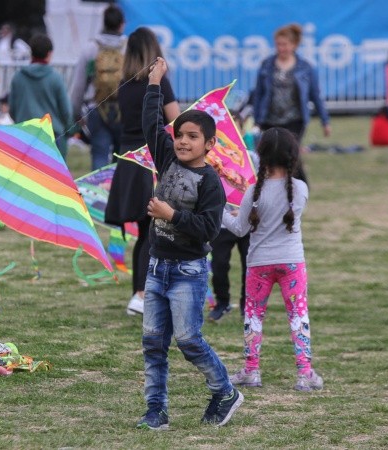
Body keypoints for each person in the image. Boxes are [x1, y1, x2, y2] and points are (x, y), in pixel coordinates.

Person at [136, 57, 243, 431]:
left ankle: (225, 390)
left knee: (188, 340)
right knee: (152, 343)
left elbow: (208, 229)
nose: (182, 140)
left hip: (188, 272)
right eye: (179, 134)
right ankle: (155, 410)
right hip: (156, 268)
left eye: (192, 136)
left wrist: (171, 215)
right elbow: (151, 123)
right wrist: (154, 83)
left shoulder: (210, 183)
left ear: (209, 144)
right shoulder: (165, 156)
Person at [222, 127, 323, 392]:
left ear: (260, 155)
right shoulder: (300, 189)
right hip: (292, 262)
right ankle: (305, 373)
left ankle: (251, 370)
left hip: (259, 264)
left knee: (253, 315)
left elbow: (239, 229)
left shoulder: (253, 192)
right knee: (298, 316)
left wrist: (222, 211)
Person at [105, 26, 179, 316]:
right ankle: (142, 293)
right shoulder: (159, 85)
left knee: (145, 231)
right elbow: (175, 121)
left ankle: (142, 292)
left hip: (128, 161)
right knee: (153, 229)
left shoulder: (124, 85)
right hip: (150, 161)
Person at [252, 23, 330, 148]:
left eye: (285, 44)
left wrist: (325, 121)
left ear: (294, 45)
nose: (281, 48)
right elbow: (258, 94)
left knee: (290, 155)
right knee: (270, 156)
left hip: (295, 120)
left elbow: (315, 95)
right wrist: (256, 120)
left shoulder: (305, 68)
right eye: (278, 44)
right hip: (269, 120)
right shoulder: (266, 65)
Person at [69, 4, 126, 170]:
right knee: (122, 156)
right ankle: (119, 194)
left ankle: (98, 193)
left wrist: (76, 112)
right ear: (122, 24)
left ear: (104, 22)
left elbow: (79, 84)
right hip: (124, 109)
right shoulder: (128, 47)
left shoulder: (90, 48)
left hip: (96, 108)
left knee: (99, 154)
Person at [8, 34, 72, 160]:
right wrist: (69, 128)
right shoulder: (55, 77)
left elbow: (12, 109)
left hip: (25, 135)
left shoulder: (18, 77)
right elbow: (66, 111)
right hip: (52, 136)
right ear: (49, 53)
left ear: (31, 53)